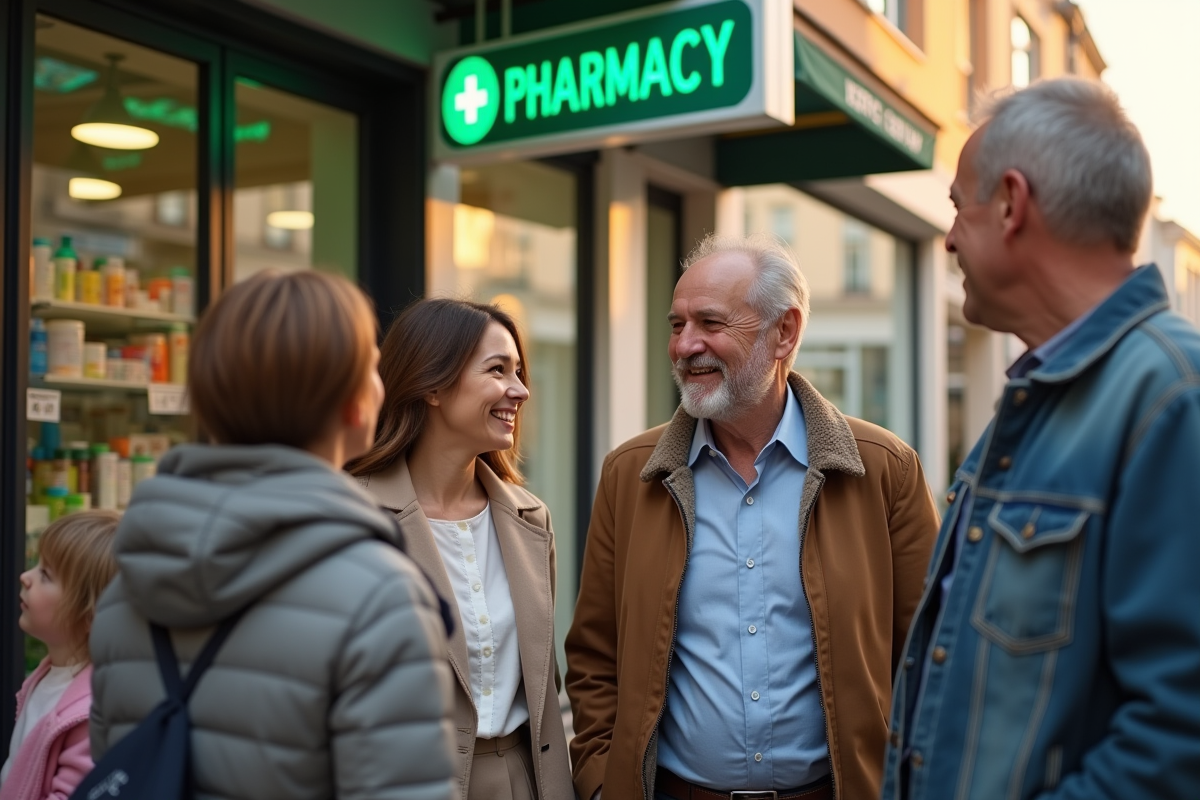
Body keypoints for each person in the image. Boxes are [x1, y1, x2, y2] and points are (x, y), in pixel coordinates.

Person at [882, 78, 1200, 800]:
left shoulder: (1174, 399)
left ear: (1013, 204)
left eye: (959, 207)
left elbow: (1179, 739)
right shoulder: (1033, 404)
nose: (950, 236)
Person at [565, 233, 941, 800]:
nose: (685, 345)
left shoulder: (884, 470)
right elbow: (594, 658)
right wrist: (601, 781)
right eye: (676, 325)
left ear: (783, 332)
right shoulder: (630, 474)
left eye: (711, 324)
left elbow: (932, 654)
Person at [88, 271, 457, 800]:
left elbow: (114, 766)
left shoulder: (129, 582)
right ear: (354, 401)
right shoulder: (380, 595)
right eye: (372, 368)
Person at [348, 298, 573, 800]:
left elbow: (543, 687)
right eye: (498, 370)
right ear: (431, 384)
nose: (520, 390)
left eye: (519, 372)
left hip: (524, 782)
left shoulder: (530, 520)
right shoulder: (351, 516)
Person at [0, 511, 118, 800]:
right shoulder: (47, 675)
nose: (25, 576)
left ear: (90, 615)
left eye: (45, 575)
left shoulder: (90, 713)